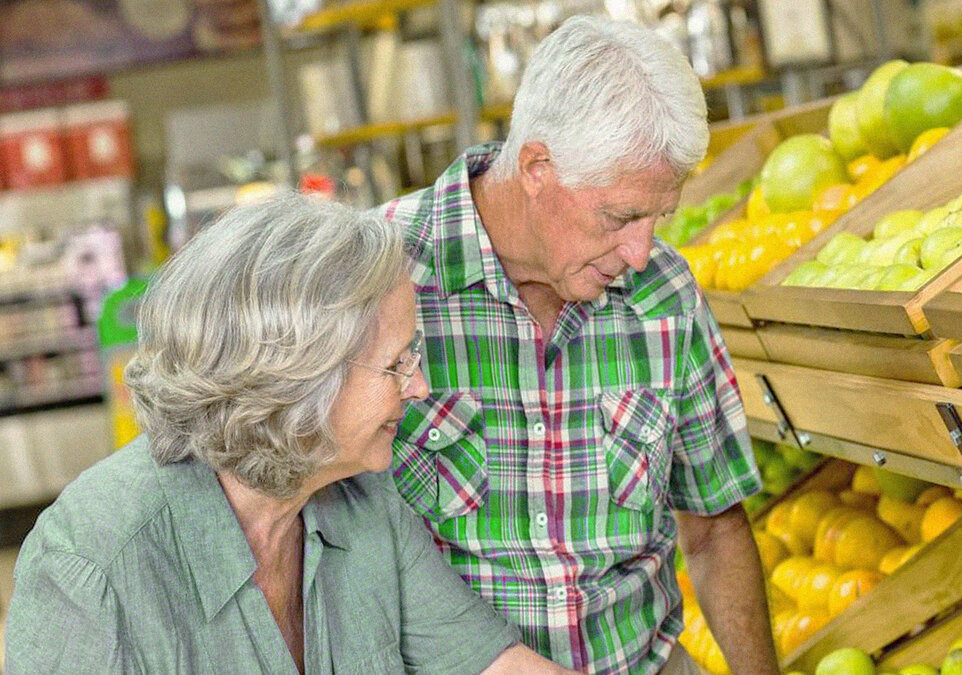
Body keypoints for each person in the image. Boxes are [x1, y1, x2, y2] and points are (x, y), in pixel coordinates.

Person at [5, 194, 574, 675]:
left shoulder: (364, 498)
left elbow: (491, 664)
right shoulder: (91, 565)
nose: (420, 386)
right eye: (396, 363)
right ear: (296, 381)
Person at [380, 16, 776, 675]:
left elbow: (714, 527)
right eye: (620, 217)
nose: (641, 251)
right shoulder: (381, 275)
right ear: (538, 166)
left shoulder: (664, 292)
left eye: (660, 217)